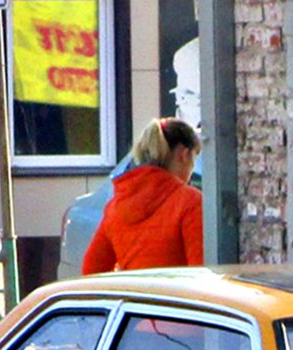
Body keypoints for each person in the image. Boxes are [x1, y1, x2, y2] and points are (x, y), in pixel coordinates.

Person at [82, 117, 203, 274]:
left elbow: (91, 271)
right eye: (194, 158)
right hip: (176, 298)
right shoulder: (190, 202)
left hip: (137, 298)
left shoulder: (115, 207)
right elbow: (201, 275)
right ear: (184, 155)